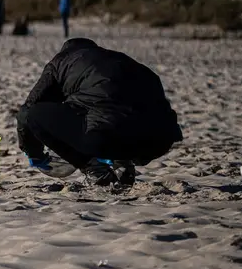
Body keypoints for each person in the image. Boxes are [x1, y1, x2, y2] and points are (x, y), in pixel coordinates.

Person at [17, 38, 183, 187]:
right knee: (112, 112)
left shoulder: (59, 62)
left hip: (107, 136)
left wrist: (34, 153)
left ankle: (94, 169)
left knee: (36, 114)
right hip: (159, 141)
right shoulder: (117, 59)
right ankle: (121, 162)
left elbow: (26, 112)